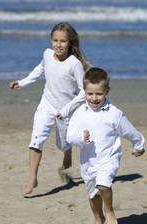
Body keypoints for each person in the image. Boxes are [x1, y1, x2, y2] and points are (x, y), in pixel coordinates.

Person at [9, 22, 89, 195]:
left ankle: (67, 152)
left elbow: (84, 92)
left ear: (70, 43)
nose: (58, 45)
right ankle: (32, 179)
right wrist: (22, 82)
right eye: (55, 40)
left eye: (63, 41)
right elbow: (40, 69)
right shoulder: (47, 54)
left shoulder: (74, 64)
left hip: (65, 110)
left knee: (62, 144)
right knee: (36, 140)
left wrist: (67, 110)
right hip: (46, 104)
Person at [66, 68, 145, 224]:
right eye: (90, 94)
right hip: (88, 161)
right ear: (84, 92)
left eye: (99, 94)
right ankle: (98, 218)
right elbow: (70, 136)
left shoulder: (114, 114)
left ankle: (109, 211)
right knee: (93, 194)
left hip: (109, 158)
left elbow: (130, 131)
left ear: (107, 91)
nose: (94, 98)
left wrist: (138, 146)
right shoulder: (80, 113)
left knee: (103, 185)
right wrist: (81, 137)